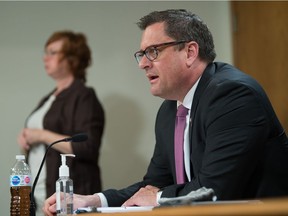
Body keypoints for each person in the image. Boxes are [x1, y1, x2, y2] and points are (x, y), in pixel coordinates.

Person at [43, 9, 288, 215]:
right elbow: (153, 185)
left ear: (190, 52)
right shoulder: (170, 110)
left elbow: (214, 190)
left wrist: (158, 196)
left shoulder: (233, 95)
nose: (142, 64)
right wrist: (94, 201)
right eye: (142, 54)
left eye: (154, 52)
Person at [17, 30, 105, 214]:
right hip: (39, 198)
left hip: (70, 199)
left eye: (52, 52)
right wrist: (26, 139)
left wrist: (40, 135)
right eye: (45, 52)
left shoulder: (84, 96)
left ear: (71, 58)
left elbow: (88, 146)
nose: (45, 58)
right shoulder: (47, 99)